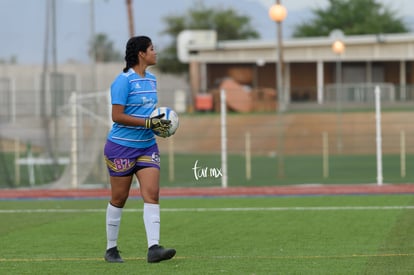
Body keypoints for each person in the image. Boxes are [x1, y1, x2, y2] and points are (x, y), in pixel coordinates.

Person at [103, 35, 176, 263]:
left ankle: (154, 248)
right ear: (141, 54)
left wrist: (161, 125)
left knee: (152, 194)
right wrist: (147, 123)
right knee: (119, 198)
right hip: (120, 148)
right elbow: (117, 116)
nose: (156, 52)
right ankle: (111, 249)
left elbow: (150, 115)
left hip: (147, 146)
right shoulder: (123, 81)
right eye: (152, 49)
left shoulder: (152, 80)